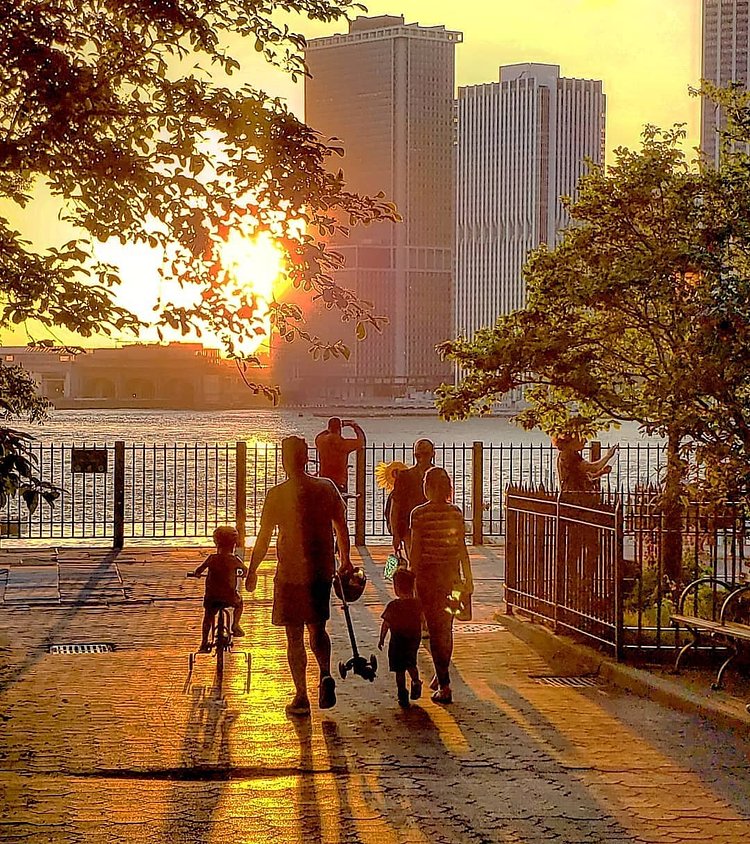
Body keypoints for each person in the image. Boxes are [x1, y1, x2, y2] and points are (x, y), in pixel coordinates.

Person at [245, 435, 353, 717]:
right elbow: (341, 527)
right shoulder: (326, 488)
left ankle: (301, 696)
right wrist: (346, 561)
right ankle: (326, 673)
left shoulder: (277, 495)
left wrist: (253, 569)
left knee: (294, 637)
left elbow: (264, 537)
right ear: (307, 458)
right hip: (321, 570)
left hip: (290, 574)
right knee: (318, 629)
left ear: (284, 461)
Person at [409, 467, 473, 704]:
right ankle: (441, 673)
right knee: (446, 627)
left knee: (434, 631)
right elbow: (461, 548)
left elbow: (416, 551)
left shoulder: (419, 514)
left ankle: (445, 685)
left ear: (428, 487)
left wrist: (411, 577)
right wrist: (469, 578)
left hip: (428, 578)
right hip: (452, 577)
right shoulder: (456, 513)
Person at [192, 525, 247, 653]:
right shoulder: (234, 560)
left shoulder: (212, 559)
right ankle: (235, 625)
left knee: (208, 616)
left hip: (212, 597)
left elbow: (199, 570)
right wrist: (243, 574)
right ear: (234, 544)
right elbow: (245, 570)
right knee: (240, 603)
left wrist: (197, 574)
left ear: (216, 543)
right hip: (230, 597)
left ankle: (204, 642)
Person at [378, 567, 423, 707]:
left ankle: (402, 693)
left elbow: (386, 624)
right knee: (411, 664)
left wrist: (381, 639)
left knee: (399, 670)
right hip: (413, 640)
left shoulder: (393, 606)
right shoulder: (417, 604)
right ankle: (416, 681)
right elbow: (423, 620)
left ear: (396, 588)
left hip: (397, 642)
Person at [389, 438, 435, 559]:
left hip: (432, 526)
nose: (422, 458)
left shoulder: (437, 475)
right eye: (418, 455)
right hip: (409, 528)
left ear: (432, 454)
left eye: (425, 454)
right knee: (414, 562)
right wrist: (395, 535)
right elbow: (395, 507)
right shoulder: (404, 477)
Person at [315, 417, 366, 493]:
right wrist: (355, 426)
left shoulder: (321, 441)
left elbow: (318, 436)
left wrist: (330, 429)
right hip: (339, 482)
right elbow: (361, 441)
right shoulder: (343, 444)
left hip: (324, 480)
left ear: (329, 427)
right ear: (340, 429)